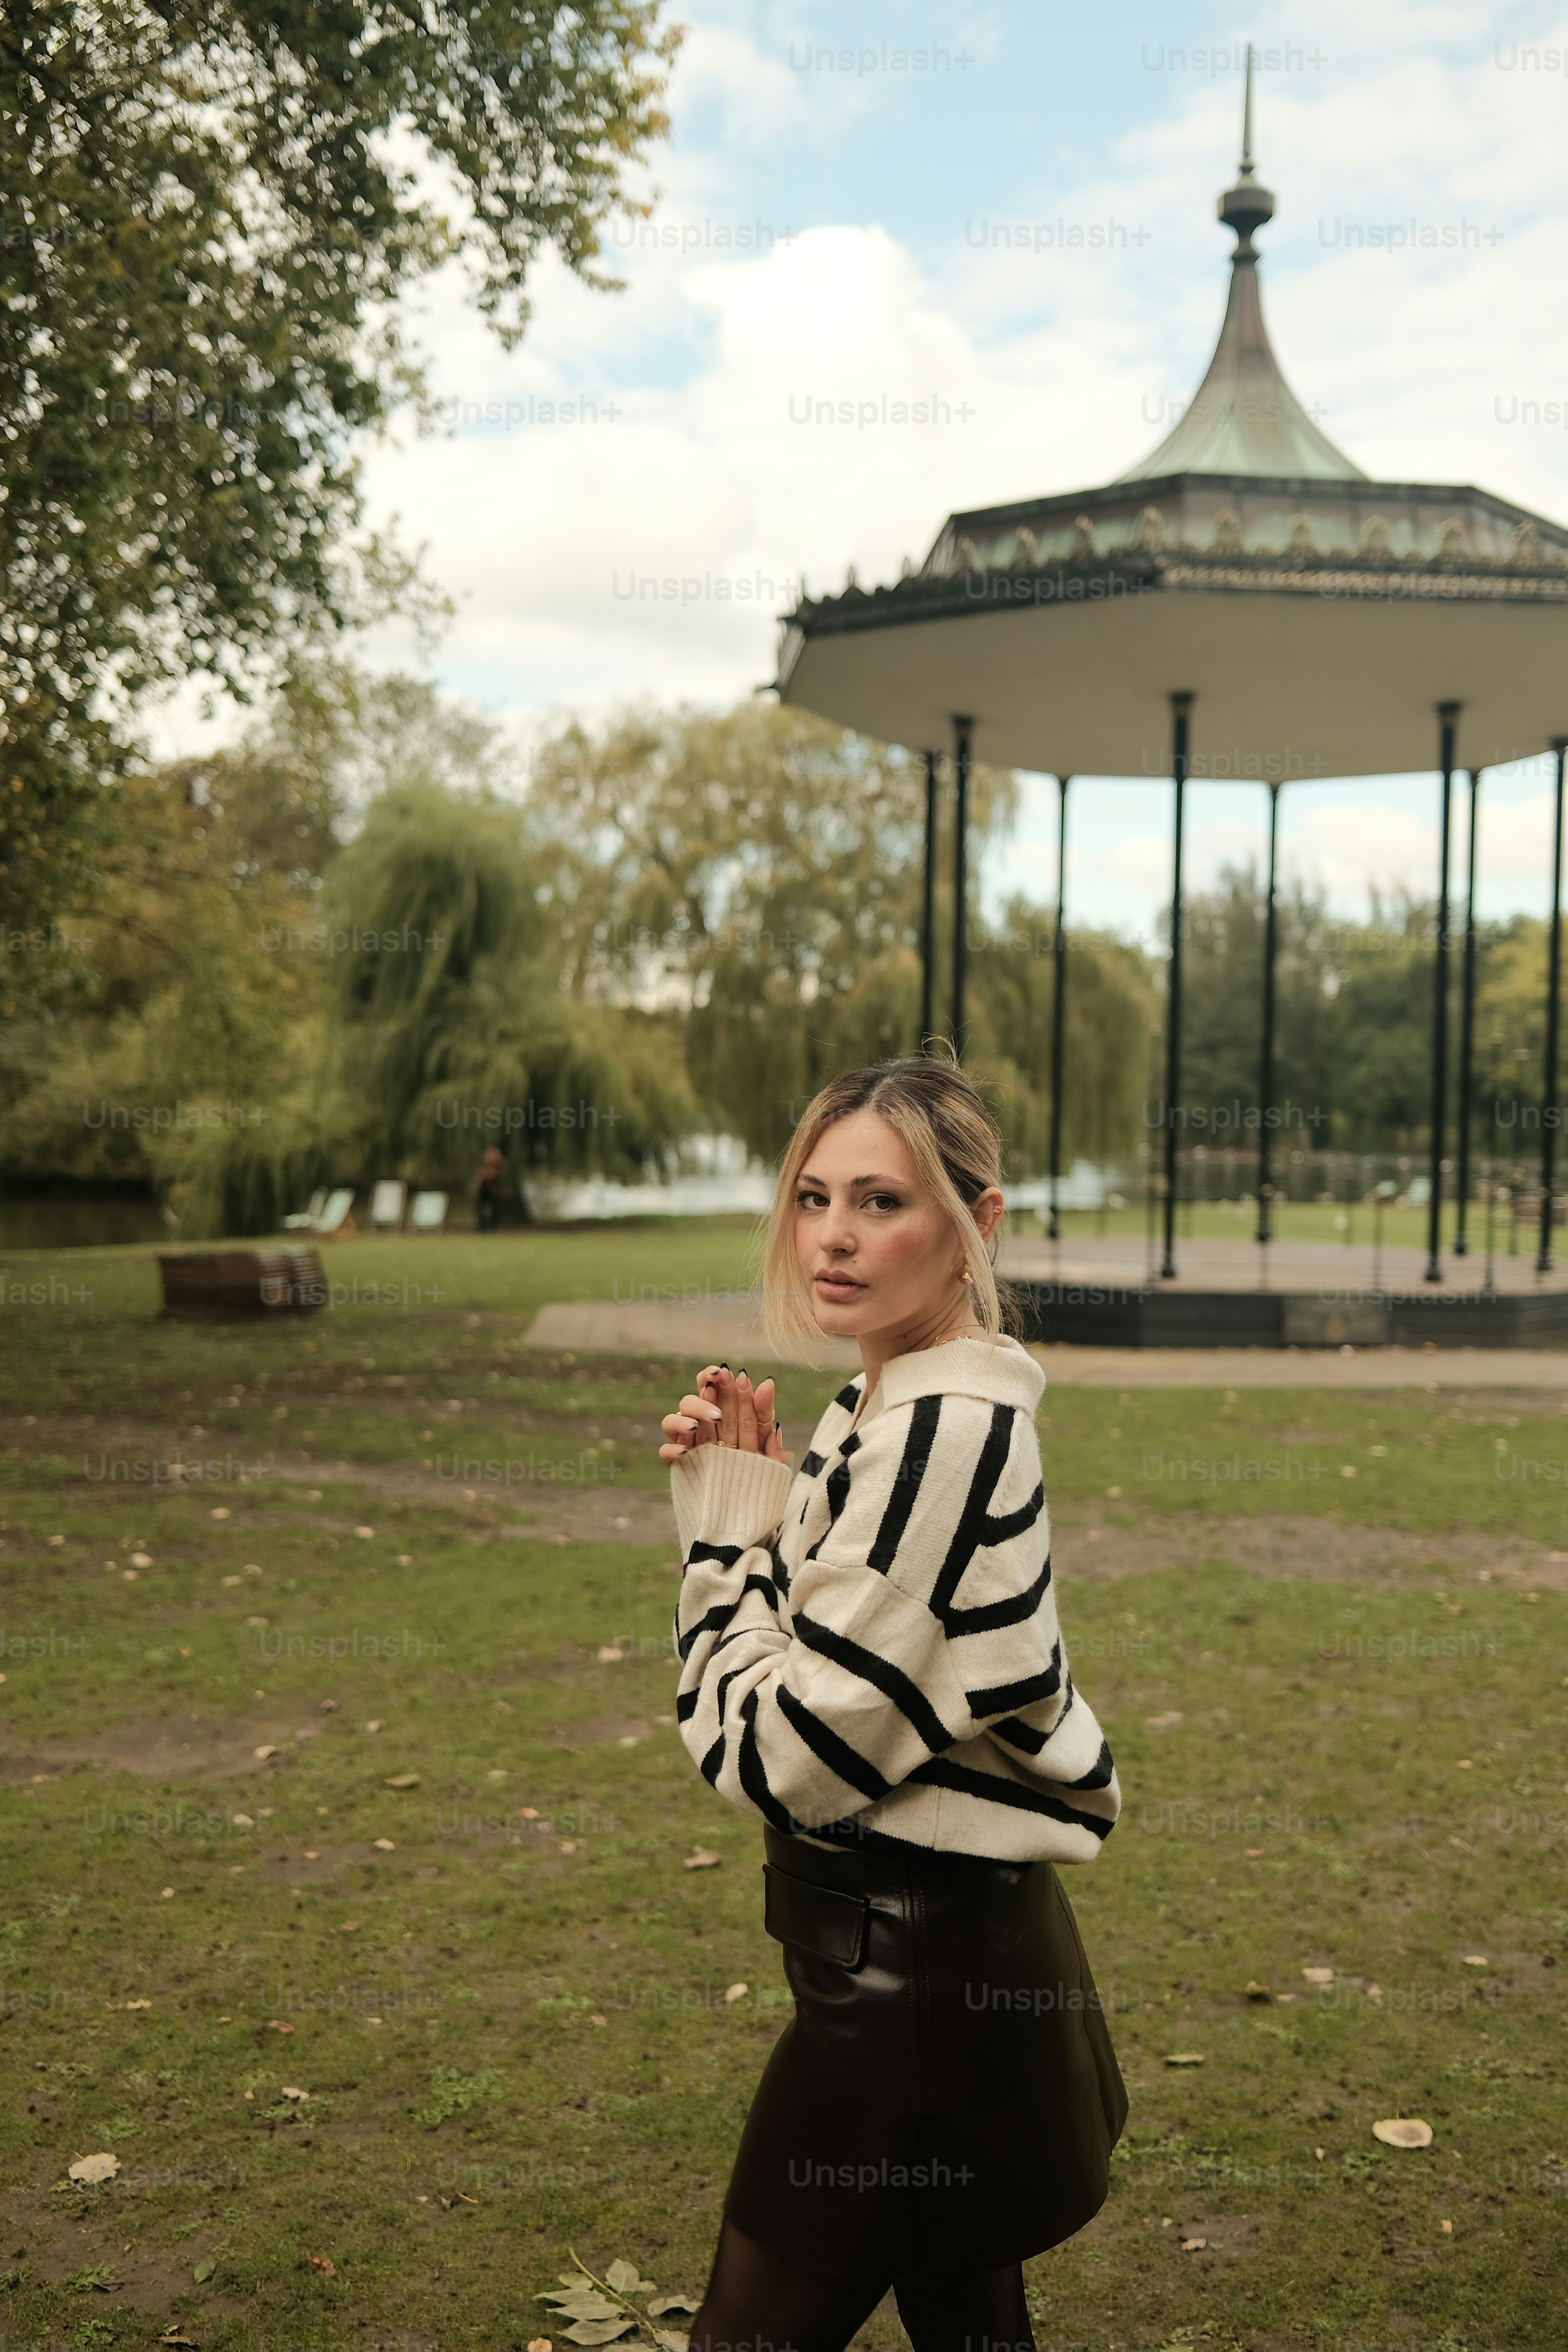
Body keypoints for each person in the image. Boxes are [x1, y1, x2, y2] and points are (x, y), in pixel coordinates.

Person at [658, 1057, 1127, 2352]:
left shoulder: (941, 1432)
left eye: (881, 1201)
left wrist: (718, 1540)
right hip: (927, 1962)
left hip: (910, 1991)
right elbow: (829, 1659)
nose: (835, 1237)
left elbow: (784, 1751)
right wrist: (759, 1510)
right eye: (814, 1197)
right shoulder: (885, 1398)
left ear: (977, 1225)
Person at [475, 1143, 505, 1233]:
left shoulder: (501, 1166)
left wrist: (494, 1175)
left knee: (496, 1208)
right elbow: (478, 1176)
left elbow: (503, 1178)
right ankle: (482, 1227)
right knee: (480, 1207)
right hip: (483, 1189)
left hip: (494, 1190)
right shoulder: (482, 1164)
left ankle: (493, 1227)